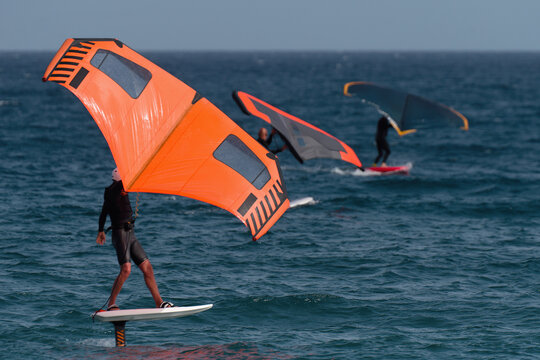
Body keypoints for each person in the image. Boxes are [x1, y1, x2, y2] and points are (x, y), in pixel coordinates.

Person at [96, 168, 173, 310]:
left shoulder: (116, 190)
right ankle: (111, 304)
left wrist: (101, 230)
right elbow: (105, 209)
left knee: (147, 268)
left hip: (130, 234)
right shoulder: (114, 189)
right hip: (120, 234)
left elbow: (103, 212)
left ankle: (159, 302)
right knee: (126, 269)